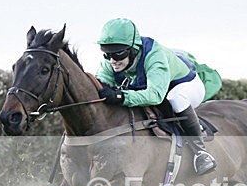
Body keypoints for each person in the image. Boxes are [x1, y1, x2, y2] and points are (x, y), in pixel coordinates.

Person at [94, 18, 223, 175]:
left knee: (175, 98)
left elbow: (155, 95)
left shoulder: (154, 56)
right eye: (107, 55)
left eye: (118, 54)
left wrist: (121, 96)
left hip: (183, 85)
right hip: (154, 86)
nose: (113, 61)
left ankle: (201, 153)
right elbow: (101, 88)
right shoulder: (110, 62)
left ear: (133, 49)